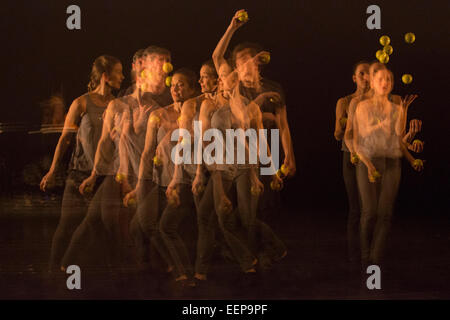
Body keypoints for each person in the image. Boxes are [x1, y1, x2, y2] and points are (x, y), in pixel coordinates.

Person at [40, 55, 123, 272]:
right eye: (118, 72)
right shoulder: (81, 103)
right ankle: (52, 270)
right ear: (105, 76)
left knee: (102, 225)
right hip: (79, 172)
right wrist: (52, 170)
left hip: (103, 175)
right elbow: (65, 139)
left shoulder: (117, 105)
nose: (122, 77)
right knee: (67, 224)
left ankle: (109, 271)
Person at [351, 66, 424, 273]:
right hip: (369, 161)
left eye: (389, 80)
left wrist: (412, 157)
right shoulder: (362, 106)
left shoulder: (396, 108)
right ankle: (365, 255)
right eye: (381, 79)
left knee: (385, 213)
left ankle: (374, 258)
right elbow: (361, 135)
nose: (385, 83)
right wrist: (369, 165)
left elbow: (399, 140)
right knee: (370, 212)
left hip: (392, 162)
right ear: (372, 83)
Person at [334, 61, 370, 264]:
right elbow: (337, 135)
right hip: (351, 157)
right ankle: (354, 254)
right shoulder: (344, 102)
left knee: (371, 209)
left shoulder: (379, 102)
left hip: (372, 157)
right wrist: (347, 122)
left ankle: (369, 250)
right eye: (361, 73)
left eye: (368, 74)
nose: (365, 77)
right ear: (354, 78)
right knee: (356, 207)